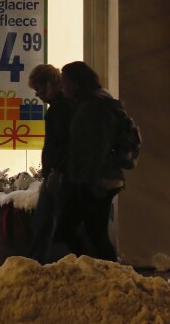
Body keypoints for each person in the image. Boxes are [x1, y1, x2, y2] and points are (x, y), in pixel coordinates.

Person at [55, 61, 125, 262]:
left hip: (95, 180)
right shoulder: (93, 103)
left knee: (89, 231)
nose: (62, 87)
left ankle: (103, 272)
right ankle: (98, 270)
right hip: (94, 178)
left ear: (76, 84)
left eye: (64, 82)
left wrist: (90, 180)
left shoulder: (93, 107)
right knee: (91, 230)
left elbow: (96, 147)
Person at [26, 64, 75, 263]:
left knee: (47, 223)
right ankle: (38, 263)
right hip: (56, 174)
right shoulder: (61, 107)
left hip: (58, 175)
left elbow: (64, 143)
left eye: (38, 88)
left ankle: (38, 264)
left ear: (49, 84)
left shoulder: (61, 109)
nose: (37, 94)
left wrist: (56, 169)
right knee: (45, 222)